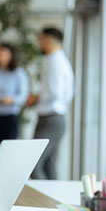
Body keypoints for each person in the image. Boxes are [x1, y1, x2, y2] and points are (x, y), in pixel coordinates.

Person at [27, 27, 74, 179]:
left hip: (51, 119)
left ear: (48, 40)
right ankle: (53, 201)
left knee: (33, 162)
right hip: (53, 118)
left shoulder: (56, 61)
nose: (39, 43)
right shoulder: (57, 60)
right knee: (49, 165)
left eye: (40, 39)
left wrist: (36, 97)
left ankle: (43, 202)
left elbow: (55, 92)